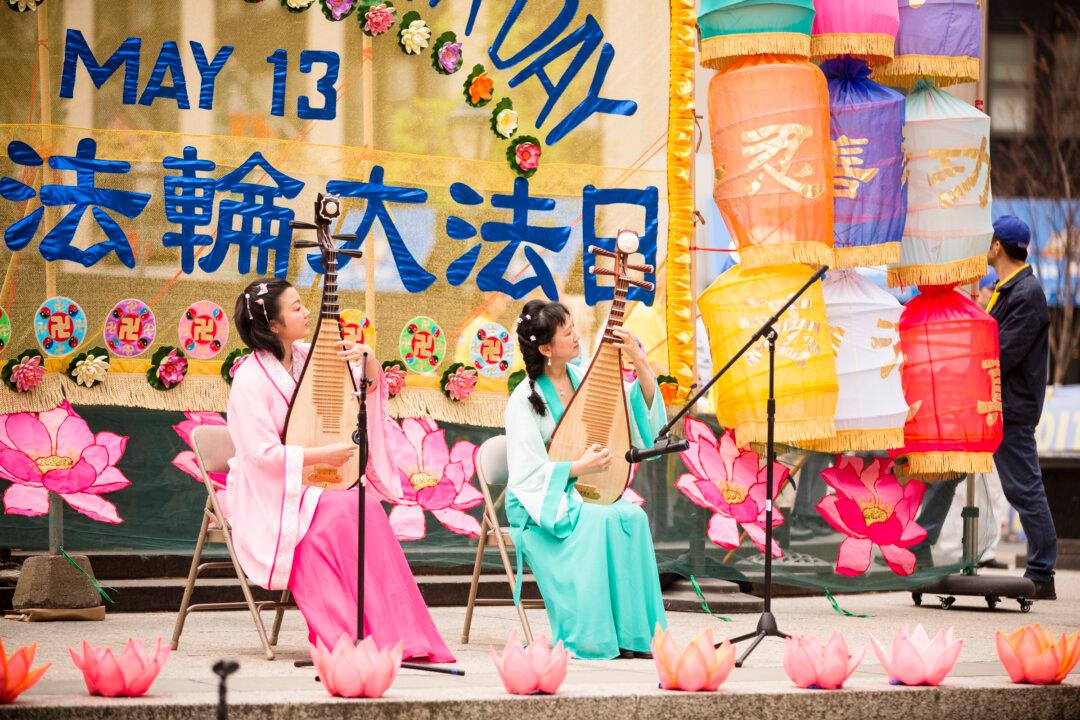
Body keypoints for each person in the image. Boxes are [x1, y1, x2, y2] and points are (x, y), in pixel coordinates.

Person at [224, 278, 454, 660]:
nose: (305, 312)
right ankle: (346, 637)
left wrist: (369, 362)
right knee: (337, 516)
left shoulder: (306, 356)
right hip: (272, 493)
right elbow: (261, 455)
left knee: (363, 504)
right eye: (295, 307)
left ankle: (398, 633)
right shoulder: (250, 379)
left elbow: (358, 391)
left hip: (312, 485)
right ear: (274, 325)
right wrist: (320, 456)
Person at [505, 300, 667, 659]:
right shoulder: (523, 400)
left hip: (581, 490)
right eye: (567, 333)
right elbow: (526, 473)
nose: (576, 337)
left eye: (574, 328)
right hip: (541, 501)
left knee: (631, 517)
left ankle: (636, 636)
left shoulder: (584, 380)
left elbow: (632, 412)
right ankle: (594, 638)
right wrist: (577, 467)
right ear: (546, 349)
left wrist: (638, 360)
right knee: (598, 519)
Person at [986, 215, 1057, 600]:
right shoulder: (1008, 289)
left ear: (998, 246)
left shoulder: (1026, 293)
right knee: (952, 477)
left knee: (1024, 489)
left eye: (989, 239)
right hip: (996, 406)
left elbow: (1002, 352)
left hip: (1012, 408)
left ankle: (1042, 572)